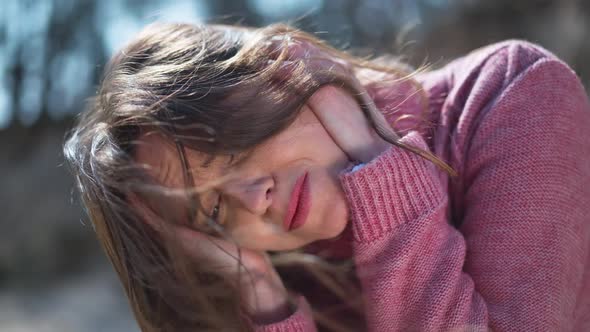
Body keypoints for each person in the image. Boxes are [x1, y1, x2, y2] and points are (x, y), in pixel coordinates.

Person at [63, 22, 590, 332]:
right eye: (214, 211)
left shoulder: (507, 98)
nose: (253, 200)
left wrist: (384, 176)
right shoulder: (297, 280)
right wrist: (266, 300)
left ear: (283, 66)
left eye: (232, 148)